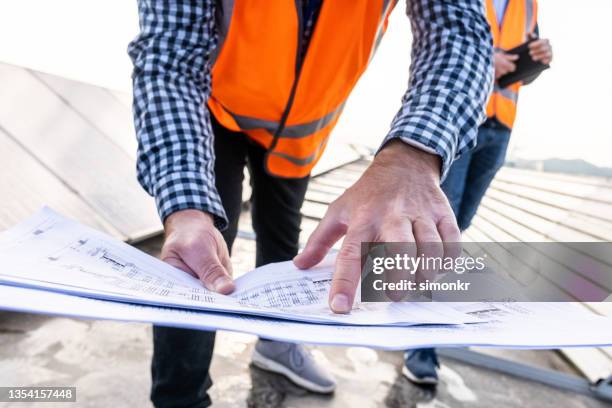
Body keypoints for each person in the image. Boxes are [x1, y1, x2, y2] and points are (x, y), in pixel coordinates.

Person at [128, 1, 492, 406]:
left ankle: (277, 347)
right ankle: (182, 398)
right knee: (197, 259)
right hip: (212, 114)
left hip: (300, 137)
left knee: (287, 251)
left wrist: (412, 155)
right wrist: (185, 203)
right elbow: (169, 57)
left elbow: (459, 31)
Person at [403, 0, 553, 386]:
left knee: (460, 224)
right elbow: (437, 40)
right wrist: (488, 59)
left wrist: (537, 58)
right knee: (440, 232)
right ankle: (419, 346)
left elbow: (521, 68)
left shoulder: (529, 5)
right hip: (458, 119)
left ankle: (416, 317)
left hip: (500, 126)